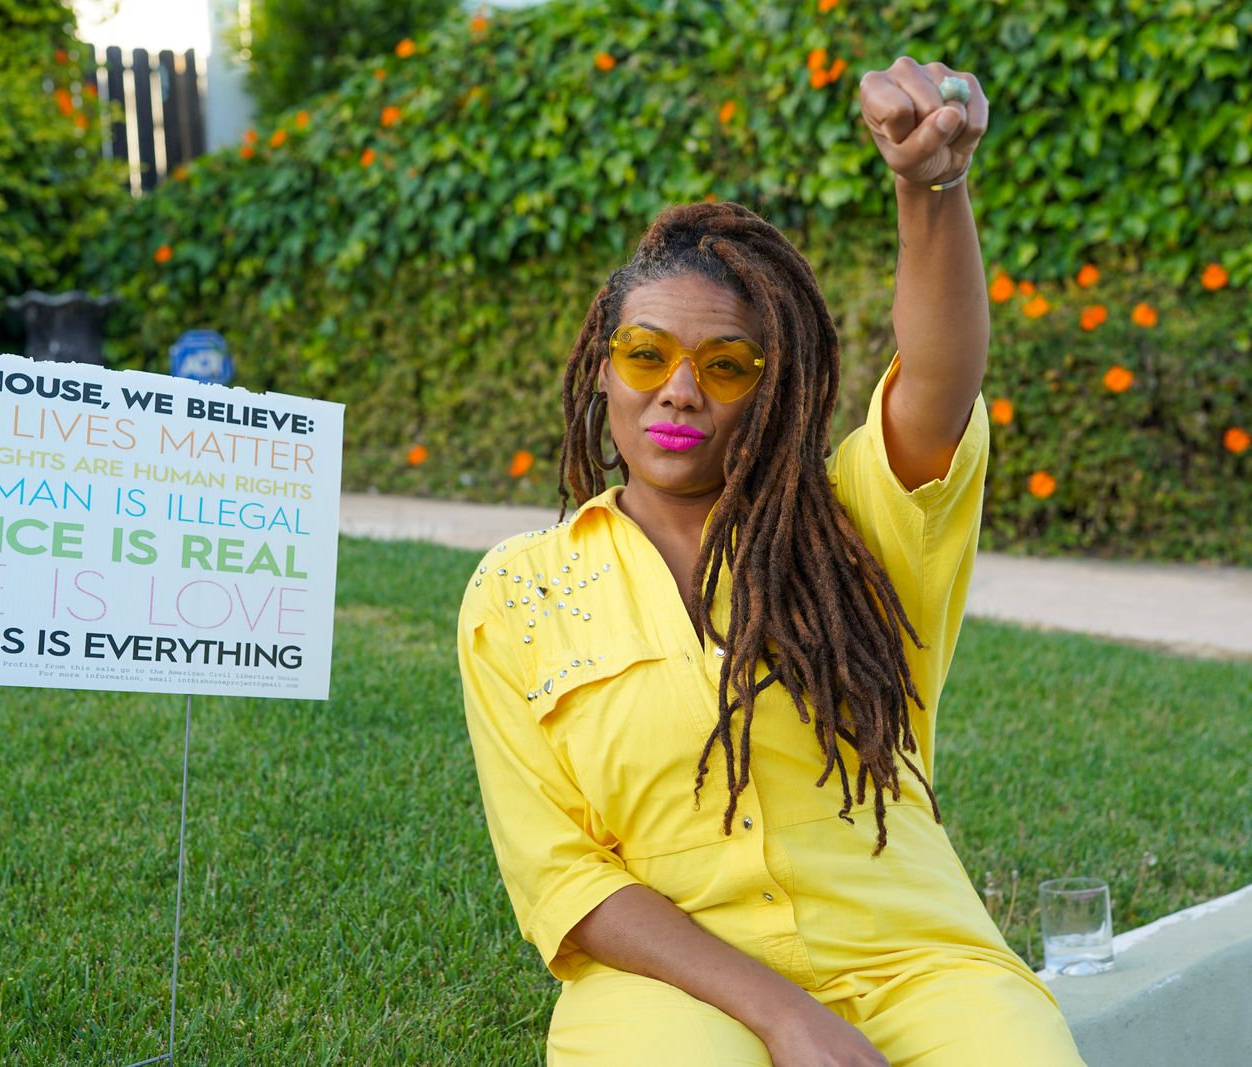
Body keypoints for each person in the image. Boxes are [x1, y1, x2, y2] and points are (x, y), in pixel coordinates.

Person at [455, 58, 1088, 1066]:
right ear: (603, 371)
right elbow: (565, 874)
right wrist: (786, 1015)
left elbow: (937, 380)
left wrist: (930, 189)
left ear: (774, 387)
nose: (678, 389)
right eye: (646, 354)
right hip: (672, 983)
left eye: (726, 366)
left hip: (915, 964)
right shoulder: (515, 592)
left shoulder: (852, 526)